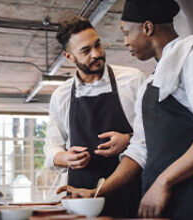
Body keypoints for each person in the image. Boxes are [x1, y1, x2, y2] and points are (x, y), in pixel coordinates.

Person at [57, 1, 193, 219]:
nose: (124, 42)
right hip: (167, 202)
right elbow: (140, 149)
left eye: (126, 32)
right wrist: (97, 193)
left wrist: (164, 181)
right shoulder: (150, 82)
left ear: (147, 28)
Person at [44, 15, 146, 218]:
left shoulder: (133, 80)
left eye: (97, 45)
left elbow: (153, 135)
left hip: (129, 192)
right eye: (85, 50)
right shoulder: (61, 95)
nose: (96, 54)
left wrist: (127, 139)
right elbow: (50, 145)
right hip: (82, 199)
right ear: (69, 57)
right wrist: (65, 157)